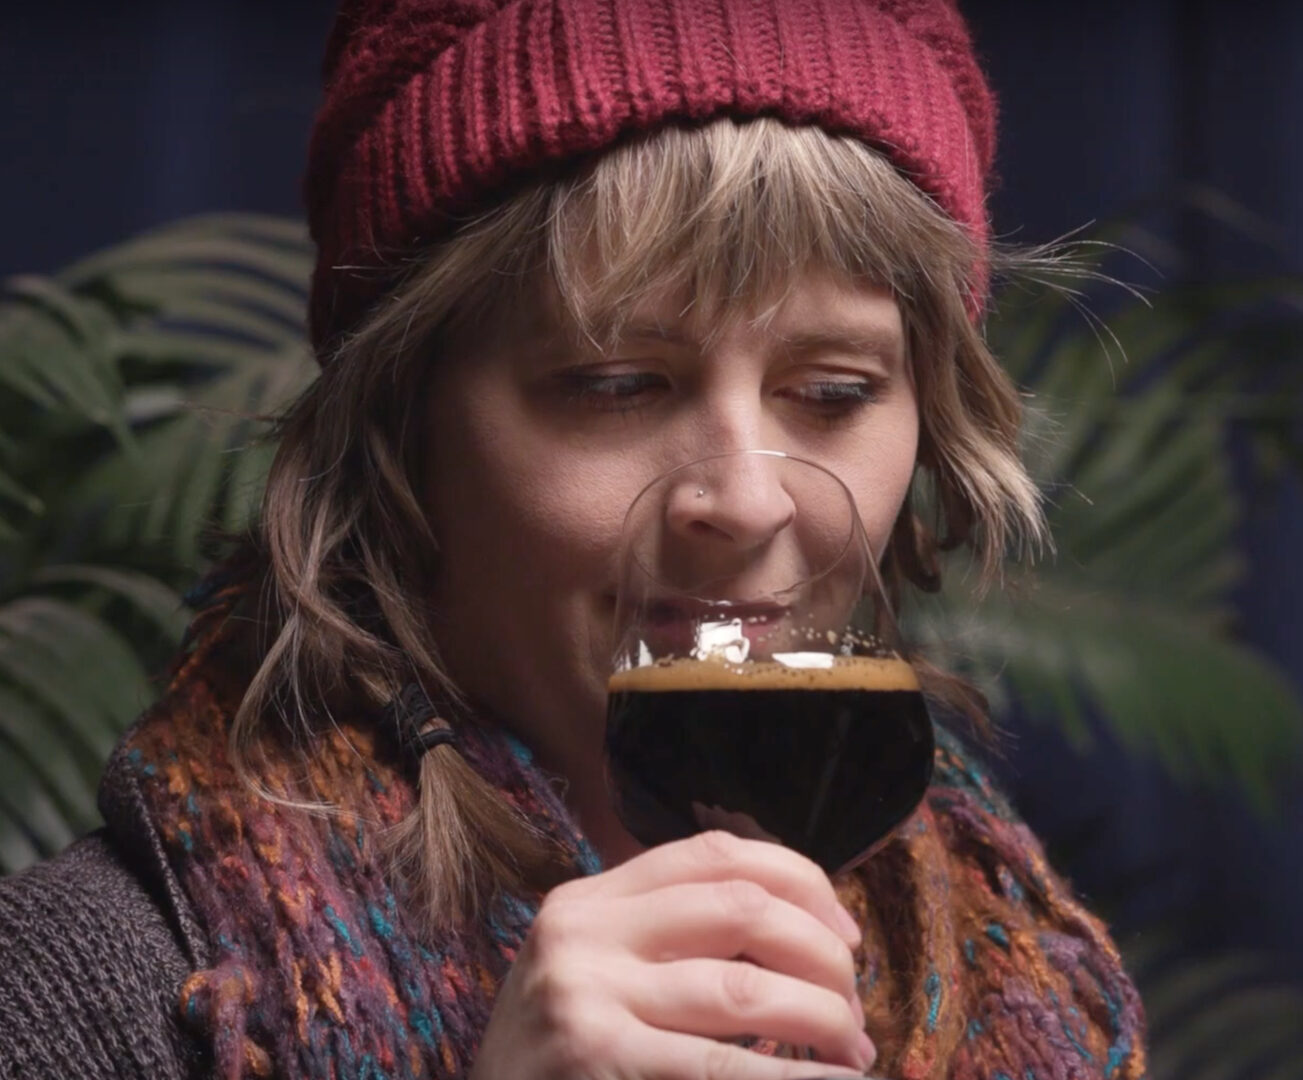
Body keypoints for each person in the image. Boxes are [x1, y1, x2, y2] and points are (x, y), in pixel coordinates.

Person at [0, 1, 1149, 1078]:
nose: (746, 501)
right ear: (398, 426)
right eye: (614, 386)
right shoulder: (89, 995)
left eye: (835, 389)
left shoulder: (1021, 975)